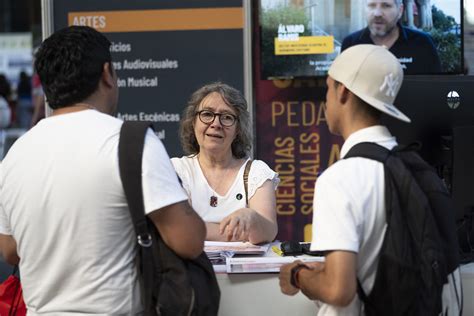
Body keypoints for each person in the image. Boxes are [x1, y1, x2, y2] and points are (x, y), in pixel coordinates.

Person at [0, 25, 206, 315]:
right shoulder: (130, 141)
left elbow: (10, 250)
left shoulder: (16, 154)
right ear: (107, 74)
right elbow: (189, 241)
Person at [279, 44, 412, 314]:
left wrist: (297, 275)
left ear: (343, 91)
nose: (325, 100)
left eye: (327, 88)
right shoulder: (410, 165)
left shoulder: (341, 177)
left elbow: (339, 290)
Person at [172, 82, 279, 244]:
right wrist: (244, 232)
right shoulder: (176, 170)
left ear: (238, 130)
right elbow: (181, 228)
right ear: (193, 122)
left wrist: (251, 217)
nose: (216, 124)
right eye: (207, 114)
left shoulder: (257, 172)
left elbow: (269, 232)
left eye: (227, 117)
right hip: (191, 268)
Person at [341, 0, 441, 74]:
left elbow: (436, 90)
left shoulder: (422, 43)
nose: (377, 13)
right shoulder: (350, 44)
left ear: (400, 10)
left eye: (386, 6)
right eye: (371, 5)